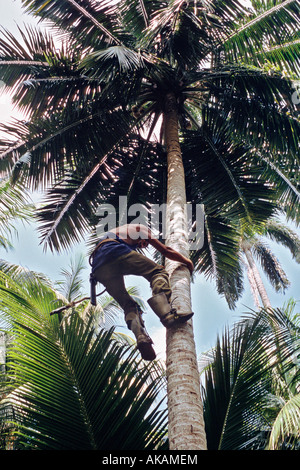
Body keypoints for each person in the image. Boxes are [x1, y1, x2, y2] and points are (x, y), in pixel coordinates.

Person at [89, 224, 194, 361]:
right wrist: (187, 262)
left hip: (99, 267)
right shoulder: (140, 228)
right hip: (114, 251)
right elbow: (166, 250)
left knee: (129, 305)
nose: (143, 245)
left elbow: (118, 265)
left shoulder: (118, 233)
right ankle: (167, 314)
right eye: (143, 244)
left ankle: (141, 337)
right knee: (158, 272)